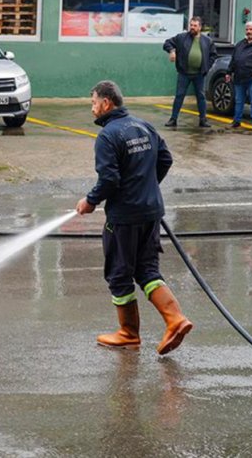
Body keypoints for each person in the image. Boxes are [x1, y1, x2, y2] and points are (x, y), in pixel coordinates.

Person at [76, 80, 193, 355]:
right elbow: (165, 160)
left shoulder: (108, 136)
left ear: (106, 103)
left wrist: (90, 201)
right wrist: (146, 188)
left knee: (119, 274)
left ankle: (128, 333)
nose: (92, 109)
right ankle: (175, 319)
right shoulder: (144, 126)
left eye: (93, 103)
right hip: (151, 211)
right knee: (147, 270)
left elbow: (109, 179)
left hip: (124, 217)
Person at [162, 16, 217, 128]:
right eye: (191, 25)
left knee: (201, 97)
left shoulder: (207, 41)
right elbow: (167, 43)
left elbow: (213, 55)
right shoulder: (182, 37)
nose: (192, 27)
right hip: (184, 73)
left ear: (200, 27)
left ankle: (203, 120)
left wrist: (207, 67)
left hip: (199, 74)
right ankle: (173, 119)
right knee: (179, 96)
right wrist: (172, 51)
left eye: (195, 26)